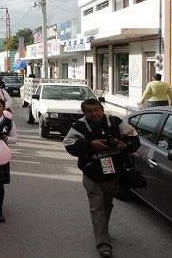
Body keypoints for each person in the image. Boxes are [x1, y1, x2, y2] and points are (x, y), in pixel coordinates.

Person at [63, 99, 140, 257]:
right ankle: (103, 243)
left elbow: (134, 138)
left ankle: (102, 230)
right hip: (92, 174)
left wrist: (123, 145)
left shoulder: (115, 122)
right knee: (97, 206)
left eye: (96, 110)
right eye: (89, 111)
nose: (94, 113)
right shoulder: (79, 126)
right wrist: (91, 145)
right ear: (84, 113)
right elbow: (69, 145)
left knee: (107, 204)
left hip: (113, 174)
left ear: (102, 109)